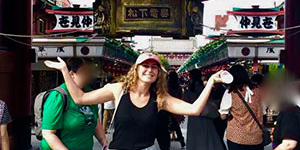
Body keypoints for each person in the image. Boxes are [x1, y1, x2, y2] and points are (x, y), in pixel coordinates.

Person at [45, 53, 226, 150]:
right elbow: (80, 98)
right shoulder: (118, 89)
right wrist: (63, 70)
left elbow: (194, 110)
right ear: (136, 69)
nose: (150, 70)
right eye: (145, 66)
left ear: (158, 74)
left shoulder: (160, 98)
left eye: (154, 67)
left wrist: (210, 82)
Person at [41, 57, 107, 150]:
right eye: (85, 71)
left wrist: (105, 143)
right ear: (72, 74)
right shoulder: (58, 96)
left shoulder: (89, 93)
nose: (90, 75)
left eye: (91, 71)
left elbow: (95, 120)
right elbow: (48, 134)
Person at [219, 65, 263, 150]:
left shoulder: (230, 92)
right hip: (256, 137)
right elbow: (263, 111)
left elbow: (223, 116)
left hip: (236, 137)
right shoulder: (258, 91)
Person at [184, 69, 223, 150]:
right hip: (207, 116)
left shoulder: (188, 91)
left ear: (190, 77)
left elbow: (185, 103)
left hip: (193, 118)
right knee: (208, 140)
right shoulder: (206, 89)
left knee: (194, 140)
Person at [168, 71, 185, 148]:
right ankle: (181, 141)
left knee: (167, 125)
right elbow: (181, 97)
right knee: (176, 126)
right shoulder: (179, 87)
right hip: (177, 108)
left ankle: (167, 142)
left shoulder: (166, 86)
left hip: (168, 108)